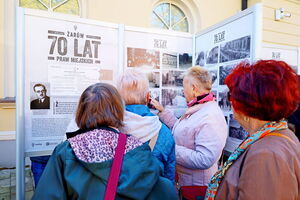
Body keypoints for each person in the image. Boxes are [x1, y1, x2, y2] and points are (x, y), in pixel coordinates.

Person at [32, 83, 178, 200]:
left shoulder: (66, 152)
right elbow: (162, 188)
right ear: (119, 112)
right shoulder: (138, 148)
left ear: (81, 113)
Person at [205, 60, 300, 200]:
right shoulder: (278, 136)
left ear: (246, 105)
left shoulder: (266, 154)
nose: (230, 102)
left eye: (231, 96)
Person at [151, 66, 228, 187]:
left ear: (193, 88)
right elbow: (183, 129)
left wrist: (170, 147)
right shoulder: (201, 108)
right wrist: (163, 111)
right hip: (188, 182)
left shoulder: (210, 116)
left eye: (184, 87)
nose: (183, 91)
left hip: (198, 188)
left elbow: (205, 159)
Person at [117, 69, 176, 182]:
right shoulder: (164, 132)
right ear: (148, 96)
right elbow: (169, 178)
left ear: (117, 97)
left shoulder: (110, 127)